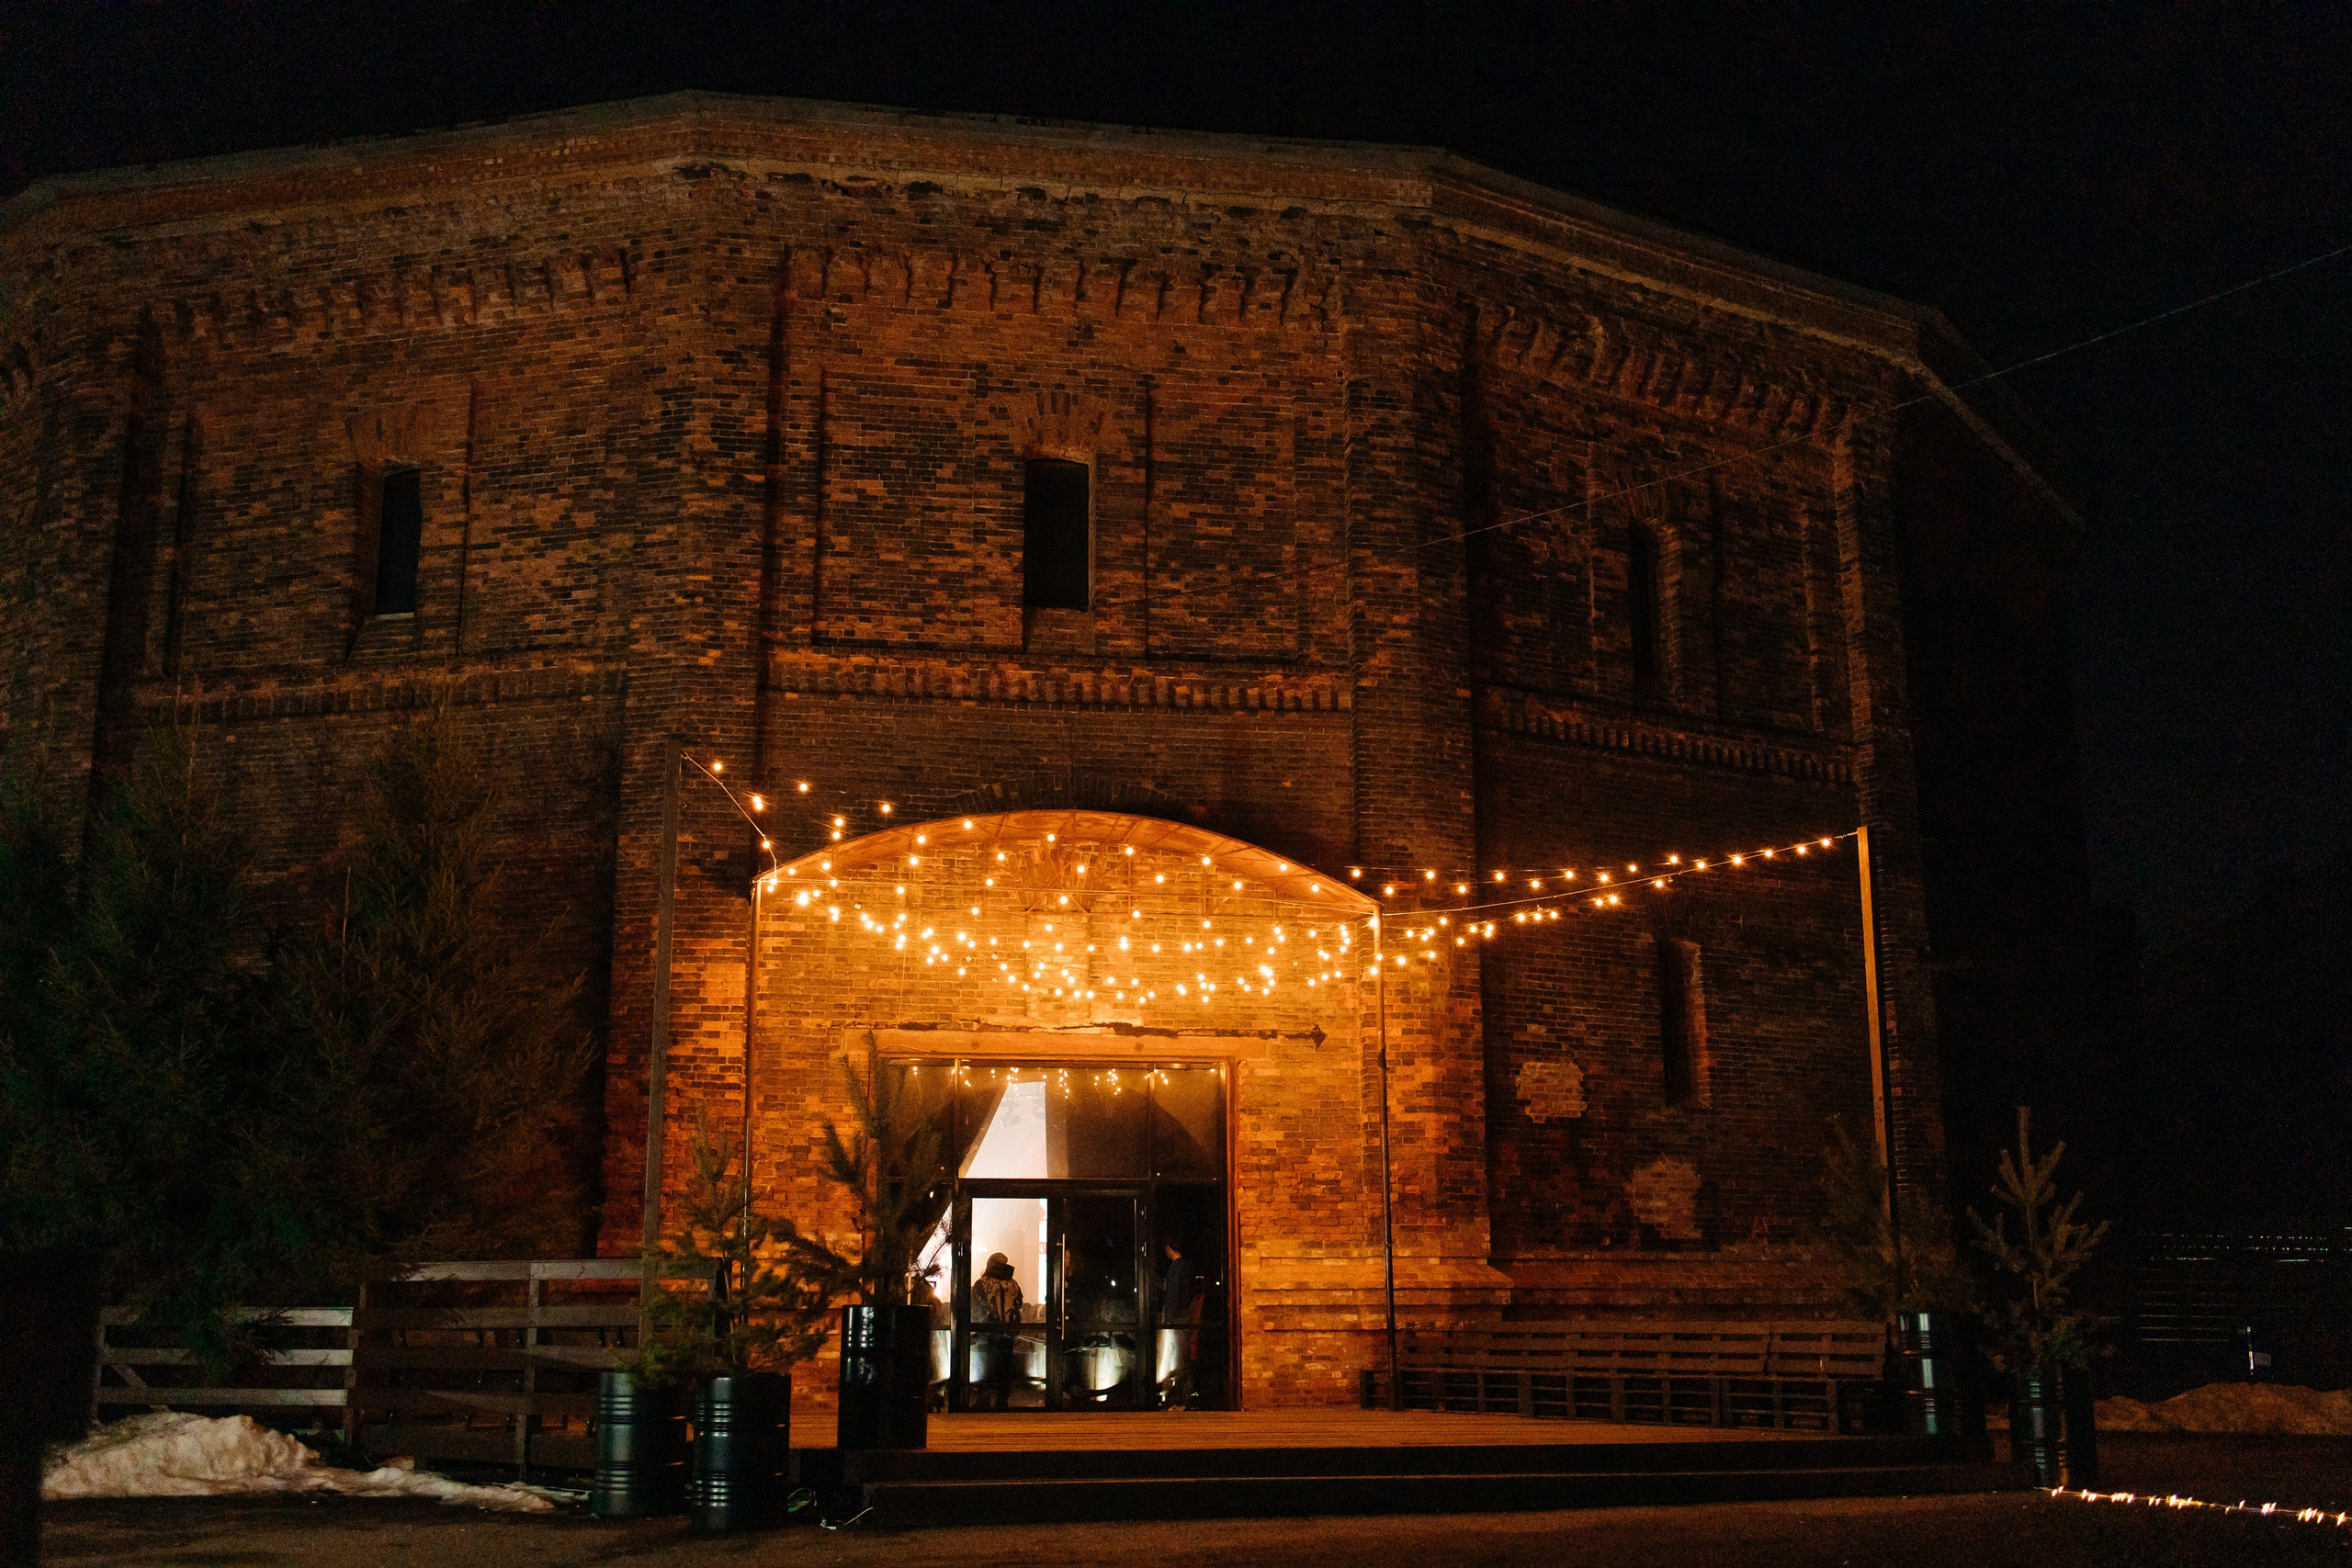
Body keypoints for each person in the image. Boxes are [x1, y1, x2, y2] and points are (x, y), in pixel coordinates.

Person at [971, 1252, 1024, 1410]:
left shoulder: (983, 1283)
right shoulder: (1014, 1284)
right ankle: (1002, 1400)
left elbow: (976, 1308)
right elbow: (1018, 1307)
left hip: (987, 1332)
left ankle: (984, 1398)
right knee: (1004, 1366)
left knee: (985, 1366)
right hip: (1008, 1334)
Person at [1158, 1239, 1204, 1410]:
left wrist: (1169, 1319)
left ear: (1169, 1247)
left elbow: (1173, 1296)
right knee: (1184, 1359)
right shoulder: (1188, 1267)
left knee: (1177, 1360)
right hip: (1186, 1317)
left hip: (1177, 1318)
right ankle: (1184, 1398)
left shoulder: (1176, 1268)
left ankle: (1179, 1400)